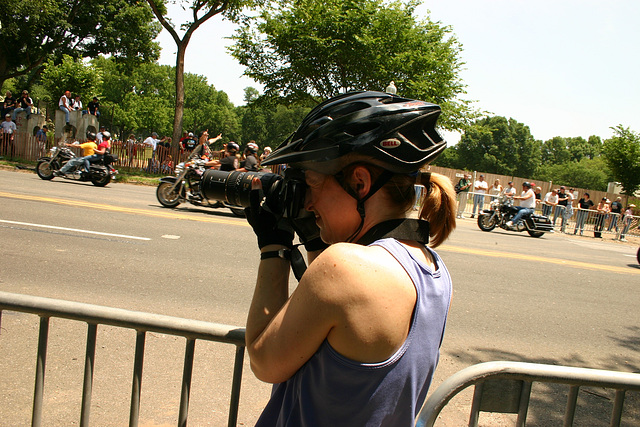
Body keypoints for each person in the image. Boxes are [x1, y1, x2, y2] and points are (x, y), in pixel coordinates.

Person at [244, 91, 454, 426]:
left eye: (311, 184)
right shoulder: (431, 269)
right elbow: (333, 317)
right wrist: (314, 237)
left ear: (359, 182)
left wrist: (273, 247)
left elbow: (263, 360)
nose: (308, 203)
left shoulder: (345, 267)